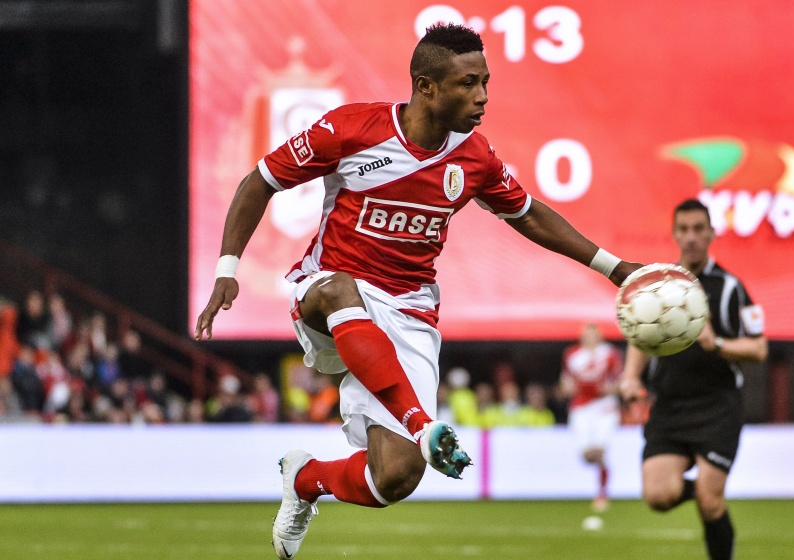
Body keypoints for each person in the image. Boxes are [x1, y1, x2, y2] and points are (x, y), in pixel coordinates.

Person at [194, 23, 640, 560]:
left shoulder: (475, 158)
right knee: (339, 289)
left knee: (394, 479)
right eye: (468, 83)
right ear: (426, 87)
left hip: (408, 311)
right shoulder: (350, 129)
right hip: (328, 290)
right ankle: (422, 425)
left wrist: (614, 267)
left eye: (485, 82)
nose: (482, 96)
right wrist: (227, 268)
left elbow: (528, 215)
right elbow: (261, 180)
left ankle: (305, 479)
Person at [620, 198, 767, 560]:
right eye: (684, 229)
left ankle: (709, 497)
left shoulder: (730, 287)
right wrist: (630, 377)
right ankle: (704, 490)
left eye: (698, 229)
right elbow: (640, 335)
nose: (691, 237)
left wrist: (718, 344)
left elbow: (759, 348)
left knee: (710, 502)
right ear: (674, 234)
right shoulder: (660, 284)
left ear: (712, 233)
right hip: (669, 404)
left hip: (717, 405)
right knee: (658, 497)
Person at [559, 322, 623, 513]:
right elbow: (566, 380)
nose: (590, 337)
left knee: (599, 451)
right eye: (587, 334)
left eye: (593, 334)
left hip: (604, 406)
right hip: (581, 406)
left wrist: (611, 388)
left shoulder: (610, 354)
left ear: (600, 336)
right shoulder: (572, 354)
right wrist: (566, 387)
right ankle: (602, 472)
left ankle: (602, 493)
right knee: (587, 456)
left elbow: (620, 380)